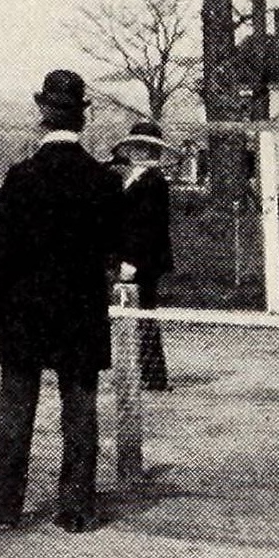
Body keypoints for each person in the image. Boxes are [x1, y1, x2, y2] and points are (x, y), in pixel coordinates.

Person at [0, 69, 125, 533]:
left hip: (25, 312)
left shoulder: (22, 177)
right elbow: (114, 249)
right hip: (81, 312)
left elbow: (0, 251)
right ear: (81, 120)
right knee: (80, 409)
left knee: (14, 408)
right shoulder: (103, 181)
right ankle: (77, 507)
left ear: (43, 116)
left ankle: (4, 503)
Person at [113, 123, 176, 393]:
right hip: (130, 256)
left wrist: (133, 261)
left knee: (145, 314)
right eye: (136, 145)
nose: (140, 150)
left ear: (154, 150)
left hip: (144, 259)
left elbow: (149, 226)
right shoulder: (131, 177)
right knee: (136, 316)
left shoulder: (154, 181)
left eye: (146, 147)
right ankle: (146, 373)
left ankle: (154, 377)